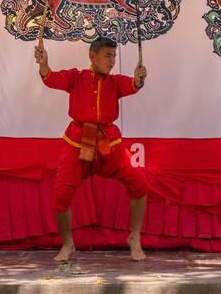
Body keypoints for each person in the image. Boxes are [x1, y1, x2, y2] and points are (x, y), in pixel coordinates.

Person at [35, 37, 148, 262]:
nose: (112, 61)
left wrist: (138, 80)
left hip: (109, 143)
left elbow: (133, 85)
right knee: (61, 194)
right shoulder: (76, 77)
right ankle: (68, 243)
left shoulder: (115, 82)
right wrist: (43, 64)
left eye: (114, 57)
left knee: (139, 184)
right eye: (108, 56)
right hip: (77, 142)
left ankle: (134, 237)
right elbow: (52, 79)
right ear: (92, 56)